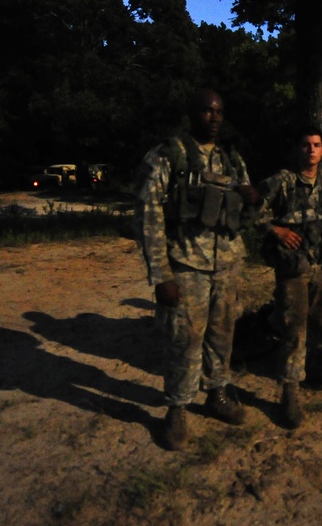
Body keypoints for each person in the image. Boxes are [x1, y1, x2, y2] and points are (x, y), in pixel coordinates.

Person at [134, 88, 260, 450]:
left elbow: (245, 210)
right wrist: (161, 275)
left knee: (223, 333)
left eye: (219, 111)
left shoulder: (231, 159)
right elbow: (148, 217)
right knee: (184, 339)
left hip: (227, 263)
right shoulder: (167, 156)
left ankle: (217, 392)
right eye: (207, 111)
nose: (215, 118)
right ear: (192, 114)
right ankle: (177, 408)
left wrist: (253, 199)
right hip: (186, 263)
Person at [255, 127, 322, 428]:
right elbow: (250, 208)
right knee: (293, 325)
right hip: (293, 265)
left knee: (318, 320)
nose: (311, 150)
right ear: (297, 149)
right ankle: (289, 391)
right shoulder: (282, 181)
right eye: (305, 145)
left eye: (316, 145)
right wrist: (275, 230)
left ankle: (311, 369)